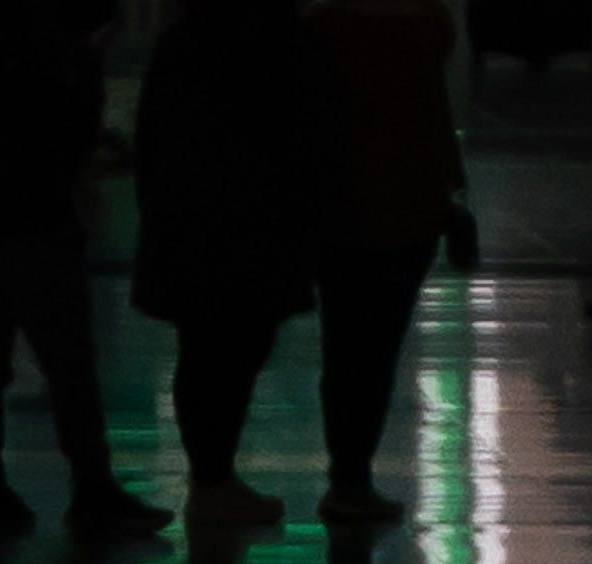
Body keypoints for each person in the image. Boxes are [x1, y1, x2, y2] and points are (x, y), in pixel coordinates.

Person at [0, 0, 162, 539]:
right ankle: (92, 486)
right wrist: (86, 70)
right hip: (36, 212)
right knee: (67, 357)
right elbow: (68, 124)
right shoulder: (37, 35)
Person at [127, 0, 320, 530]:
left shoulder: (183, 42)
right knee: (238, 353)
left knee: (203, 351)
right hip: (256, 225)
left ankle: (209, 476)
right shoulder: (282, 44)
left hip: (192, 221)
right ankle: (214, 477)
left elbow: (151, 134)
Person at [297, 0, 461, 528]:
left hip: (338, 212)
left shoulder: (319, 26)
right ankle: (352, 474)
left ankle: (348, 473)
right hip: (402, 212)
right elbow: (429, 119)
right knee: (374, 351)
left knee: (345, 348)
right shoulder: (417, 24)